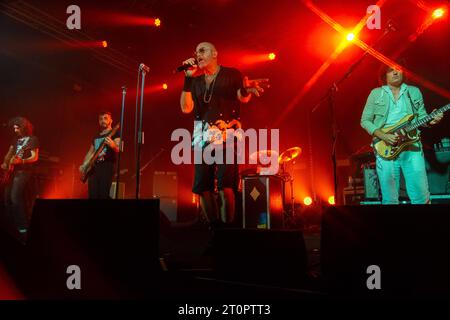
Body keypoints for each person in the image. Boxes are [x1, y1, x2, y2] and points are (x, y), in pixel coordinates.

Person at [180, 41, 269, 227]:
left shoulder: (231, 74)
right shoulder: (195, 81)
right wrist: (188, 78)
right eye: (196, 52)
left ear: (214, 53)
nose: (198, 55)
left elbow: (241, 96)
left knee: (225, 186)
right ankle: (215, 230)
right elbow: (186, 107)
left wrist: (246, 89)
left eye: (202, 50)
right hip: (202, 136)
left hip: (228, 135)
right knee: (202, 188)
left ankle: (227, 231)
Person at [360, 64, 443, 204]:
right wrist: (383, 135)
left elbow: (422, 118)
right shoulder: (376, 93)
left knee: (421, 196)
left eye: (398, 69)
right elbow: (365, 121)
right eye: (390, 70)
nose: (395, 72)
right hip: (385, 147)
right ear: (384, 75)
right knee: (390, 198)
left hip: (412, 148)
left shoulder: (414, 92)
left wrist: (432, 120)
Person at [1, 117, 39, 236]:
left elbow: (34, 157)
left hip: (24, 171)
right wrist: (5, 162)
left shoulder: (32, 139)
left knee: (15, 197)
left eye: (17, 128)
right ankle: (10, 223)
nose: (15, 130)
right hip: (12, 171)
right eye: (14, 128)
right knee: (6, 198)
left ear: (24, 127)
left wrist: (21, 161)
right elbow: (9, 152)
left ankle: (23, 226)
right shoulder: (15, 139)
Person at [79, 111, 120, 199]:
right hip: (93, 168)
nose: (103, 120)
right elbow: (90, 152)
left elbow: (118, 148)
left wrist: (113, 145)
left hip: (107, 167)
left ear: (111, 120)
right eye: (101, 119)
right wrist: (84, 166)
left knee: (103, 194)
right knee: (92, 195)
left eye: (105, 118)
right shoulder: (96, 136)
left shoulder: (115, 133)